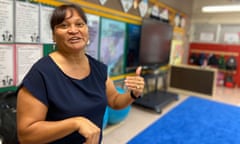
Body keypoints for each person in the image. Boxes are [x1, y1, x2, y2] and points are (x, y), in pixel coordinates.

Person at [16, 4, 145, 144]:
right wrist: (75, 123)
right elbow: (26, 135)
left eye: (79, 24)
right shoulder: (41, 74)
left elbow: (114, 101)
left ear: (87, 30)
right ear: (53, 35)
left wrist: (133, 94)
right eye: (64, 26)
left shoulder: (99, 69)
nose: (73, 30)